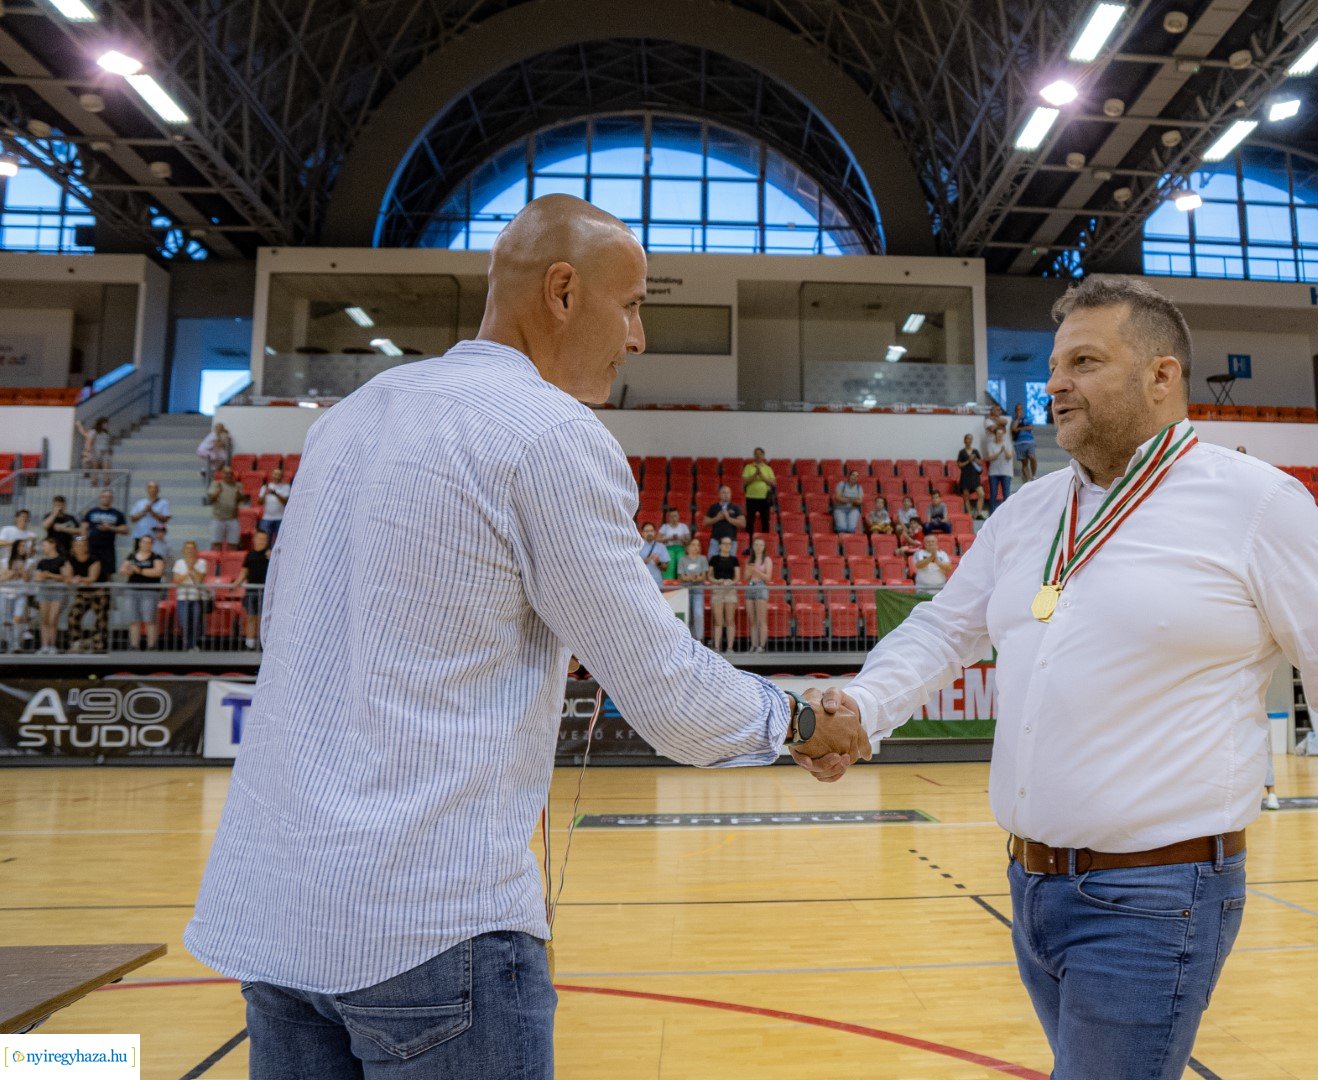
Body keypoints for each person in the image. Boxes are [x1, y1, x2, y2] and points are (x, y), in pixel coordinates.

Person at [186, 196, 867, 1080]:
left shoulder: (345, 421)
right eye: (632, 305)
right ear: (560, 292)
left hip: (277, 915)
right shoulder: (547, 435)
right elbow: (668, 695)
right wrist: (804, 721)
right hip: (429, 927)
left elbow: (287, 642)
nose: (637, 339)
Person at [802, 275, 1318, 1079]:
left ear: (1161, 377)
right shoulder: (1027, 513)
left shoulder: (1259, 505)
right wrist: (860, 705)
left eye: (1085, 361)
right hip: (1030, 889)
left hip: (1157, 898)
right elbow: (939, 630)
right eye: (1057, 364)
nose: (1055, 382)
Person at [120, 534, 167, 651]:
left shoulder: (156, 557)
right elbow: (122, 571)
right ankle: (134, 645)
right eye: (144, 542)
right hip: (132, 591)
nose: (146, 544)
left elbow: (158, 572)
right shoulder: (131, 555)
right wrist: (130, 571)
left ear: (152, 544)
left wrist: (139, 570)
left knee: (149, 620)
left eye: (148, 542)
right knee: (133, 620)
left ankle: (151, 645)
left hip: (150, 592)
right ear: (140, 543)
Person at [63, 535, 107, 653]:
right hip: (82, 594)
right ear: (73, 547)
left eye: (83, 545)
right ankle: (76, 642)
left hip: (98, 594)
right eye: (77, 545)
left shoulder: (94, 559)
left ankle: (98, 643)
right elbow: (67, 578)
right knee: (73, 616)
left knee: (101, 617)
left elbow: (92, 578)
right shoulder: (70, 560)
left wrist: (79, 579)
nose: (80, 547)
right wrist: (73, 579)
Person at [31, 537, 69, 655]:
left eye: (45, 545)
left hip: (57, 592)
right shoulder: (42, 562)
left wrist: (50, 575)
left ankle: (52, 645)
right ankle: (44, 645)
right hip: (44, 591)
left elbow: (66, 577)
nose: (43, 547)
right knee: (44, 619)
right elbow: (37, 576)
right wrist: (43, 576)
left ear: (53, 544)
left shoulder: (62, 560)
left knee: (53, 619)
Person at [235, 530, 271, 649]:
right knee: (251, 617)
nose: (261, 541)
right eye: (259, 539)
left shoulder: (269, 555)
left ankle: (262, 643)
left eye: (264, 539)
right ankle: (250, 644)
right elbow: (244, 572)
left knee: (262, 619)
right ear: (254, 540)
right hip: (251, 591)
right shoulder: (249, 555)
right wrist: (236, 584)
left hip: (265, 592)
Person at [171, 540, 209, 652]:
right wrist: (188, 570)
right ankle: (187, 645)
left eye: (192, 549)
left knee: (196, 623)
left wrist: (192, 568)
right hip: (182, 598)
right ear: (183, 550)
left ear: (196, 550)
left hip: (196, 598)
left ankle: (194, 645)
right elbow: (177, 580)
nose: (190, 551)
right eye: (187, 549)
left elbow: (199, 580)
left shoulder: (202, 562)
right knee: (185, 622)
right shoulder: (179, 563)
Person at [707, 535, 741, 652]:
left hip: (730, 589)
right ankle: (716, 646)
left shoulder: (734, 559)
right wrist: (717, 581)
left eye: (729, 544)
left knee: (730, 619)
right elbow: (710, 575)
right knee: (718, 620)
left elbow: (737, 577)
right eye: (725, 544)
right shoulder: (714, 559)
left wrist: (731, 582)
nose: (727, 546)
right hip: (717, 589)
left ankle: (730, 647)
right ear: (720, 545)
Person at [0, 541, 33, 654]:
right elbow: (2, 578)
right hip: (5, 593)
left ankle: (16, 644)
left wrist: (21, 569)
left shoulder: (29, 562)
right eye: (21, 545)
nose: (23, 548)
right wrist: (11, 572)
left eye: (24, 546)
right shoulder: (5, 561)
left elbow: (27, 579)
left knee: (17, 619)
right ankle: (9, 643)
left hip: (20, 593)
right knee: (7, 620)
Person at [743, 534, 773, 654]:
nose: (758, 547)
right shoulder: (749, 560)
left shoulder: (767, 560)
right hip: (750, 586)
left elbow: (768, 578)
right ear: (753, 547)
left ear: (764, 547)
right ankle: (753, 645)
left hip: (761, 586)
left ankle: (761, 645)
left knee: (761, 619)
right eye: (756, 545)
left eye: (761, 545)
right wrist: (749, 571)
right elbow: (745, 577)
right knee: (752, 620)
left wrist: (755, 570)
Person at [129, 481, 172, 560]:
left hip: (155, 538)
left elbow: (165, 519)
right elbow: (132, 518)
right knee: (138, 560)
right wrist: (144, 512)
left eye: (155, 488)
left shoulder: (164, 503)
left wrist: (152, 512)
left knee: (155, 560)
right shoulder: (140, 503)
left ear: (158, 490)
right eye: (150, 487)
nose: (152, 490)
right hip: (140, 536)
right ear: (147, 489)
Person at [676, 542, 709, 641]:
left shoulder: (703, 559)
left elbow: (703, 576)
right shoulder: (682, 559)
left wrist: (693, 578)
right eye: (693, 545)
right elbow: (681, 576)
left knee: (698, 614)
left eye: (698, 545)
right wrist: (692, 577)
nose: (696, 547)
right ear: (688, 547)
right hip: (685, 590)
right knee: (687, 614)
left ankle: (699, 640)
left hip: (698, 589)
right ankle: (686, 640)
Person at [207, 468, 246, 552]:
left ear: (233, 475)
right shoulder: (216, 484)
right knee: (216, 544)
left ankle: (231, 564)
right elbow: (211, 500)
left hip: (233, 519)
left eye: (230, 473)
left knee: (233, 544)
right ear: (222, 474)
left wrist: (239, 495)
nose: (228, 475)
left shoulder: (238, 485)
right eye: (226, 473)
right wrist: (218, 491)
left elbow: (242, 499)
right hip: (218, 518)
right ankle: (216, 565)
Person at [741, 447, 776, 536]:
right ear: (754, 455)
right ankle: (749, 543)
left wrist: (762, 476)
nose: (758, 456)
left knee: (765, 521)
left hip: (764, 499)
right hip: (751, 498)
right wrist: (755, 474)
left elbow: (773, 483)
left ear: (763, 456)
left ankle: (765, 542)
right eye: (756, 454)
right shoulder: (748, 467)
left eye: (760, 454)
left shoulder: (768, 468)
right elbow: (744, 482)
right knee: (750, 521)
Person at [702, 483, 744, 557]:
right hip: (715, 540)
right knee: (712, 563)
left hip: (731, 541)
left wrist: (728, 518)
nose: (726, 494)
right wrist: (717, 518)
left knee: (729, 565)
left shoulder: (735, 507)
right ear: (719, 494)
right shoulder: (713, 507)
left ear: (731, 494)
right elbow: (705, 522)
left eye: (728, 492)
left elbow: (743, 524)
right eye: (724, 492)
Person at [985, 423, 1016, 512]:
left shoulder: (1008, 444)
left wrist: (1004, 449)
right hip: (994, 472)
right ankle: (992, 515)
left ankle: (1006, 514)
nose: (1000, 436)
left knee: (1006, 494)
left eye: (1001, 434)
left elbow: (1009, 456)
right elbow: (990, 458)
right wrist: (999, 451)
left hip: (1006, 472)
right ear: (995, 434)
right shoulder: (990, 444)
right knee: (993, 494)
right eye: (998, 434)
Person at [259, 467, 291, 546]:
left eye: (278, 475)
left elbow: (285, 502)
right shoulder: (265, 487)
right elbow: (259, 502)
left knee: (279, 542)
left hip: (280, 518)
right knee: (265, 542)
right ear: (272, 475)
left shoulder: (286, 487)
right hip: (267, 518)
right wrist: (264, 494)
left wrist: (275, 493)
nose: (276, 476)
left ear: (281, 476)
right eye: (275, 474)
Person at [956, 434, 987, 519]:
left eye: (970, 439)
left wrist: (975, 459)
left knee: (981, 494)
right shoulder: (962, 452)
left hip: (975, 476)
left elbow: (980, 463)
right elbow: (959, 465)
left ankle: (978, 513)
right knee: (966, 496)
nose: (969, 440)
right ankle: (969, 515)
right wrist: (968, 461)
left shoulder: (975, 451)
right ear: (964, 440)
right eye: (967, 439)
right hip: (965, 476)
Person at [77, 416, 113, 481]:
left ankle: (106, 482)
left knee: (106, 468)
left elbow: (108, 443)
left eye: (107, 424)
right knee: (94, 468)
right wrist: (88, 451)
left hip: (105, 452)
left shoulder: (106, 433)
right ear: (100, 424)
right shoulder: (94, 431)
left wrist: (110, 449)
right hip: (96, 452)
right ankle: (93, 481)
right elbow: (89, 440)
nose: (106, 425)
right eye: (105, 424)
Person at [832, 468, 864, 534]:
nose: (855, 477)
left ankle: (849, 543)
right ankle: (842, 543)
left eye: (857, 476)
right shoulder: (842, 484)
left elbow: (859, 501)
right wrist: (853, 500)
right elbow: (838, 498)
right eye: (853, 475)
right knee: (842, 527)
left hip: (853, 509)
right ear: (849, 476)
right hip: (840, 509)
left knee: (851, 528)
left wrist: (845, 498)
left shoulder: (859, 487)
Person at [1012, 403, 1038, 483]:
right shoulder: (1014, 420)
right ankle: (1028, 480)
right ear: (1016, 411)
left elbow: (1031, 427)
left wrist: (1019, 428)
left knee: (1032, 457)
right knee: (1024, 463)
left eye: (1021, 409)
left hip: (1029, 441)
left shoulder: (1028, 418)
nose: (1019, 411)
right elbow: (1014, 429)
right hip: (1019, 443)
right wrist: (1018, 420)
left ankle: (1033, 475)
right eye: (1018, 409)